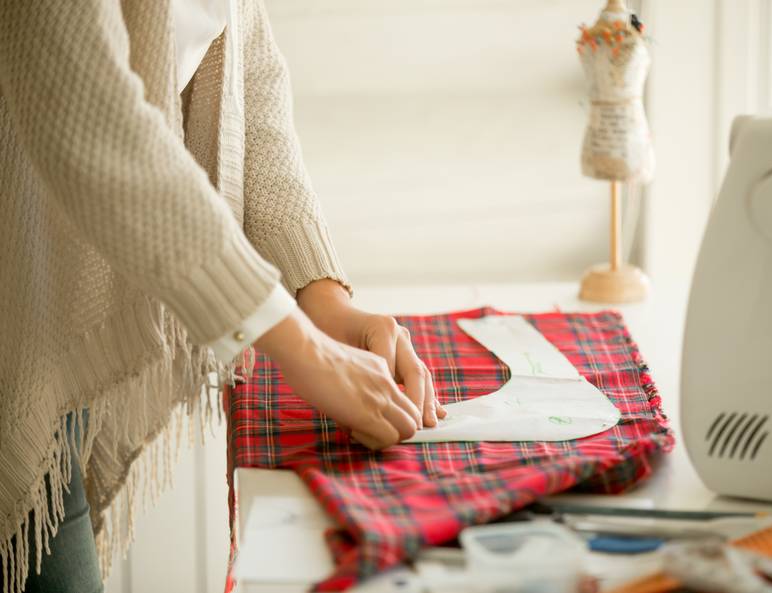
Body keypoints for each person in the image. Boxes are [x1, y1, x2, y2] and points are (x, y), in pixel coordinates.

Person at [0, 1, 444, 591]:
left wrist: (323, 296)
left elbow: (250, 76)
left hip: (49, 323)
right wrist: (301, 347)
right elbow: (90, 121)